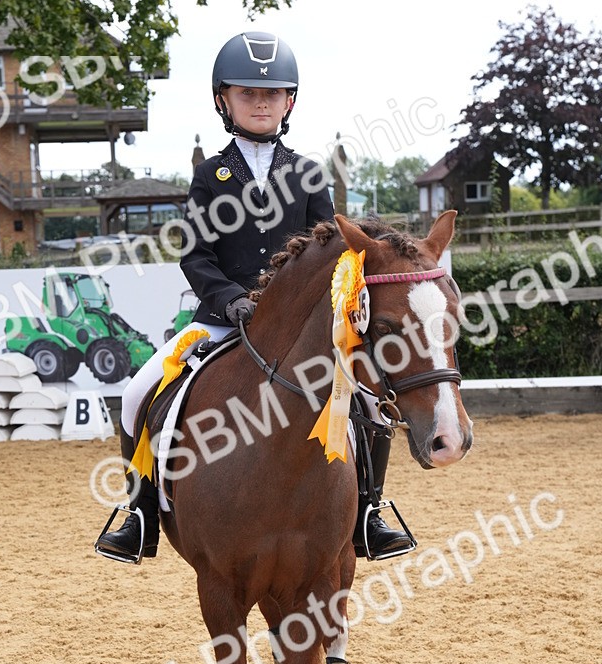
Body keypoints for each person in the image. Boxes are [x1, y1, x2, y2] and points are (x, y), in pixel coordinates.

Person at [96, 30, 409, 562]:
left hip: (299, 329)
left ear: (289, 102)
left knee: (368, 401)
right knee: (136, 394)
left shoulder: (306, 175)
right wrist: (230, 299)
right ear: (224, 100)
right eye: (248, 93)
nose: (260, 103)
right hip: (222, 320)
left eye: (272, 94)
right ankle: (141, 513)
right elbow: (196, 256)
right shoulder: (208, 175)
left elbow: (333, 252)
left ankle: (369, 512)